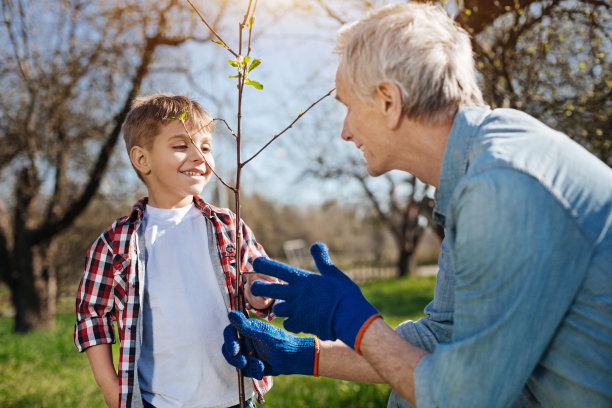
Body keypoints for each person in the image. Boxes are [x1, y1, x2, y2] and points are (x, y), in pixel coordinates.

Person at [221, 2, 612, 407]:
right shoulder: (476, 168)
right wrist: (302, 353)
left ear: (388, 101)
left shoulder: (502, 188)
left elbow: (460, 399)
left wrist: (352, 320)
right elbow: (438, 340)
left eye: (348, 107)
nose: (345, 131)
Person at [74, 94, 276, 408]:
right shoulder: (116, 242)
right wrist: (110, 387)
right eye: (181, 145)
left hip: (236, 396)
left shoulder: (228, 226)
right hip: (162, 402)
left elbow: (261, 300)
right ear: (142, 159)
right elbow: (92, 315)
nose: (198, 155)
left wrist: (259, 294)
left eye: (206, 147)